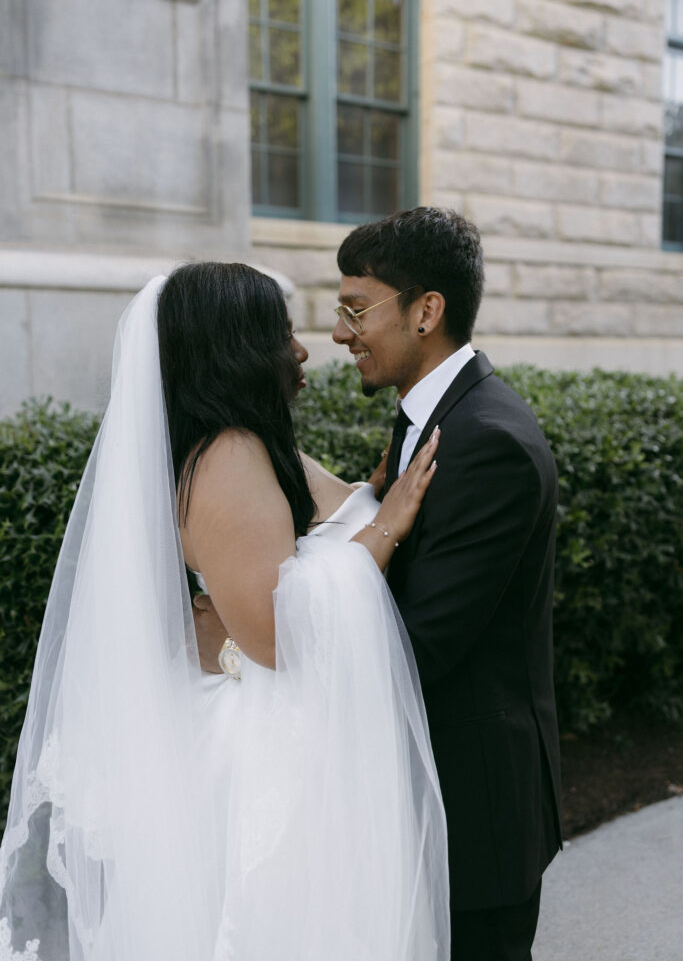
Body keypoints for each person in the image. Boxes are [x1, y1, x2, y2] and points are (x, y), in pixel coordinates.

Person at [0, 263, 450, 960]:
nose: (301, 350)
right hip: (265, 753)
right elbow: (274, 636)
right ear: (233, 348)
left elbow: (324, 527)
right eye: (282, 333)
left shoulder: (248, 443)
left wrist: (371, 496)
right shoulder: (227, 458)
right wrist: (384, 531)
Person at [332, 206, 563, 961]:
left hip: (474, 817)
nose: (340, 333)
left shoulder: (486, 442)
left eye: (355, 308)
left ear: (425, 310)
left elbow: (417, 644)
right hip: (424, 802)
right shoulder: (430, 421)